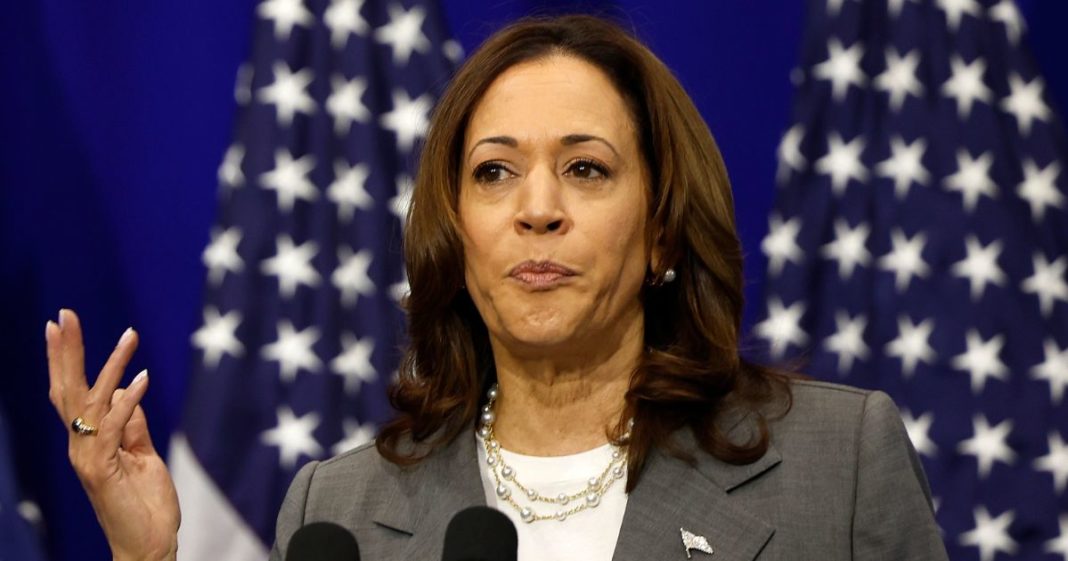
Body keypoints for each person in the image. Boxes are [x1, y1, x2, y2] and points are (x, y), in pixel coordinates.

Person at [45, 14, 948, 561]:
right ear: (456, 232)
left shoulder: (840, 464)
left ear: (662, 230)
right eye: (493, 173)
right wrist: (145, 551)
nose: (537, 210)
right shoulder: (342, 511)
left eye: (587, 169)